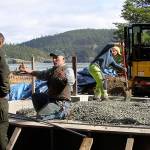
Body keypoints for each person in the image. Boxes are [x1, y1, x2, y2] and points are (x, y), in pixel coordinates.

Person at [19, 50, 75, 120]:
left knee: (40, 116)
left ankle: (61, 114)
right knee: (36, 96)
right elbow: (41, 74)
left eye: (56, 57)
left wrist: (64, 78)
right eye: (53, 58)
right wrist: (28, 71)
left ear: (63, 59)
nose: (54, 60)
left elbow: (71, 81)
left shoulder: (68, 69)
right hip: (51, 100)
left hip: (61, 103)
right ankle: (44, 113)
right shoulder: (52, 70)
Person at [0, 33, 10, 150]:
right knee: (2, 128)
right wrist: (3, 93)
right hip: (0, 99)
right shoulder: (1, 56)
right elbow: (4, 75)